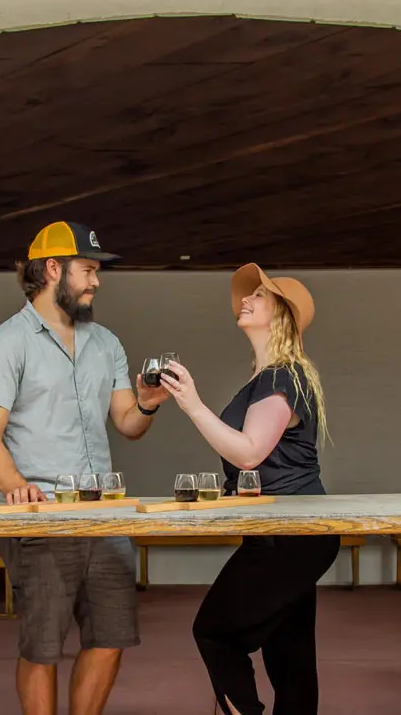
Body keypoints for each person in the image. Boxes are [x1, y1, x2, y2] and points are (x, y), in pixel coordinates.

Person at [0, 220, 169, 715]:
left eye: (97, 271)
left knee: (111, 635)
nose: (96, 281)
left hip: (105, 513)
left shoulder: (107, 343)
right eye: (87, 270)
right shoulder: (6, 344)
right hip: (41, 517)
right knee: (43, 645)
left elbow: (127, 424)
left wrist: (147, 403)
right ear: (52, 269)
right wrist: (15, 486)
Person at [158, 262, 340, 715]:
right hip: (290, 531)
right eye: (248, 293)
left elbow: (250, 453)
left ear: (281, 315)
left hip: (291, 535)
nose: (246, 299)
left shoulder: (283, 377)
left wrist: (191, 403)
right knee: (290, 657)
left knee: (215, 633)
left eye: (259, 295)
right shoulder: (269, 377)